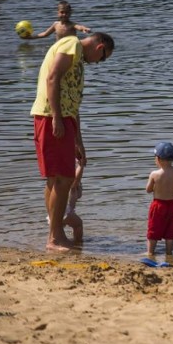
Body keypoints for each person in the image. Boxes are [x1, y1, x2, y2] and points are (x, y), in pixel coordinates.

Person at [31, 32, 114, 251]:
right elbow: (52, 77)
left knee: (56, 179)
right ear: (100, 47)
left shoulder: (78, 62)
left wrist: (78, 140)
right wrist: (57, 117)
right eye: (103, 58)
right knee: (63, 178)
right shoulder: (72, 44)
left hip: (64, 119)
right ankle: (55, 238)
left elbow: (73, 104)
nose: (100, 63)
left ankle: (54, 234)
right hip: (51, 116)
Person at [145, 142, 173, 256]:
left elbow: (148, 189)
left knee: (153, 229)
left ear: (158, 159)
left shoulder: (154, 174)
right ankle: (169, 253)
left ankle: (150, 252)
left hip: (158, 205)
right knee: (170, 231)